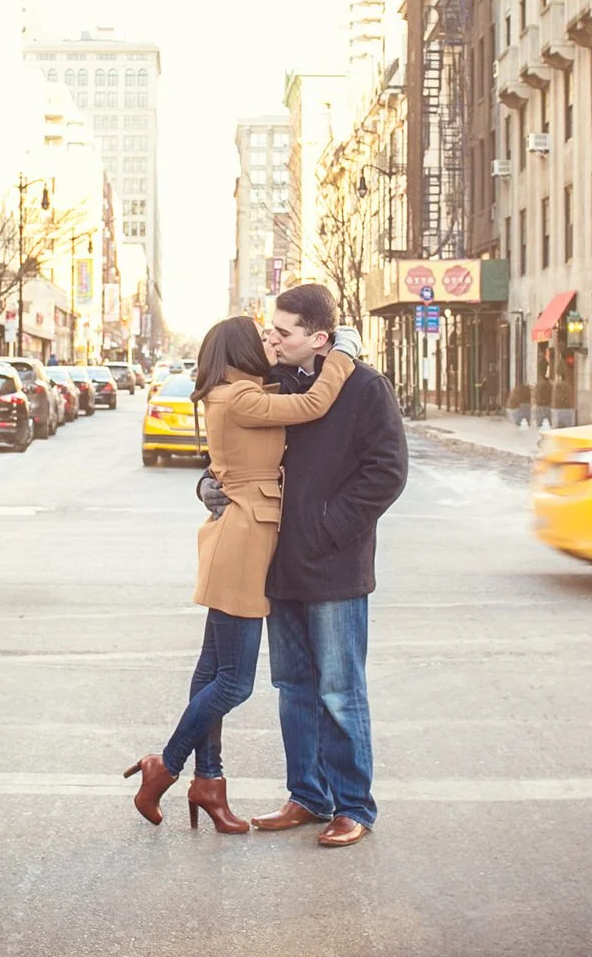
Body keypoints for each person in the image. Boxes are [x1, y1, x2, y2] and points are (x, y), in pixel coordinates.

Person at [125, 319, 355, 834]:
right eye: (263, 338)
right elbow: (312, 405)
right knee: (234, 681)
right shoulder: (239, 398)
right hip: (244, 541)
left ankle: (210, 782)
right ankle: (164, 765)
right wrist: (342, 355)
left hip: (241, 534)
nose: (269, 343)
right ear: (243, 349)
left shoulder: (239, 393)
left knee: (211, 670)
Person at [200, 284, 406, 848]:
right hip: (276, 565)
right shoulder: (270, 385)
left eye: (282, 331)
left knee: (340, 690)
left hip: (335, 567)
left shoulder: (365, 388)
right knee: (293, 685)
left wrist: (326, 528)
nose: (271, 337)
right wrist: (211, 486)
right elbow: (230, 455)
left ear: (319, 338)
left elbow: (386, 473)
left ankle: (353, 806)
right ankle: (308, 796)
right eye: (270, 329)